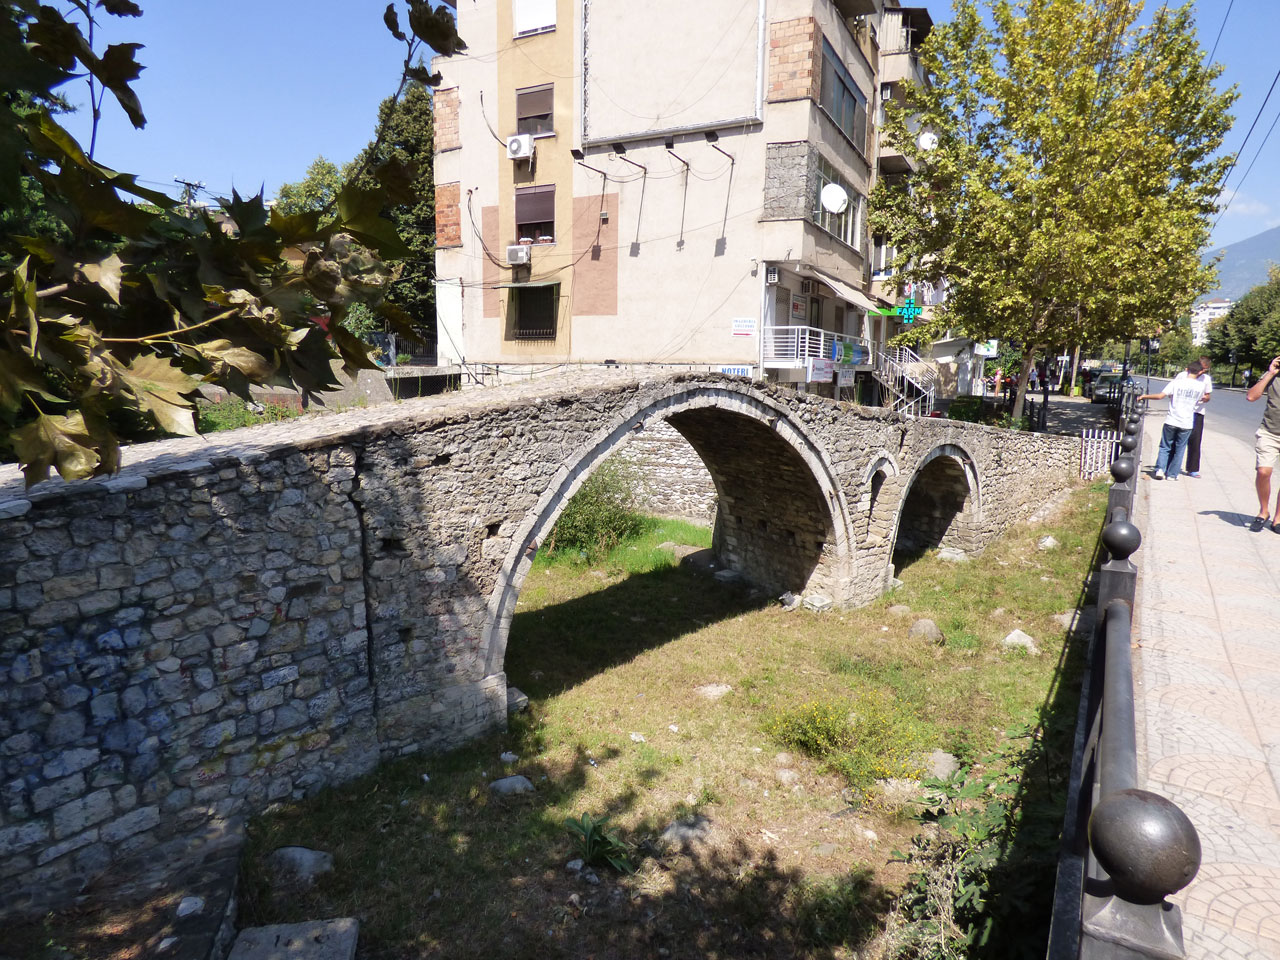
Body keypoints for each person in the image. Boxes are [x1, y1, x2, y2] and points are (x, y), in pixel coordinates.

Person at [1137, 359, 1211, 480]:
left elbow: (1161, 396)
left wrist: (1144, 396)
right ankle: (1172, 474)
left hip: (1172, 419)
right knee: (1180, 449)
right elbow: (1201, 399)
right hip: (1187, 422)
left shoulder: (1176, 383)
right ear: (1198, 373)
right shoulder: (1201, 386)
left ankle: (1160, 469)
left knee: (1165, 446)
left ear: (1187, 369)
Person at [1245, 355, 1280, 532]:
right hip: (1270, 432)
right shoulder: (1273, 375)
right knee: (1263, 471)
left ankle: (1278, 518)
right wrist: (1269, 373)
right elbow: (1251, 397)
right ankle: (1264, 511)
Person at [1182, 355, 1213, 477]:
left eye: (1206, 370)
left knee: (1195, 440)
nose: (1203, 372)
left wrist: (1206, 398)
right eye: (1202, 368)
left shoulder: (1206, 379)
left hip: (1197, 412)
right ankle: (1170, 466)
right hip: (1183, 410)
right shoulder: (1183, 376)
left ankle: (1192, 468)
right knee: (1178, 439)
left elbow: (1208, 395)